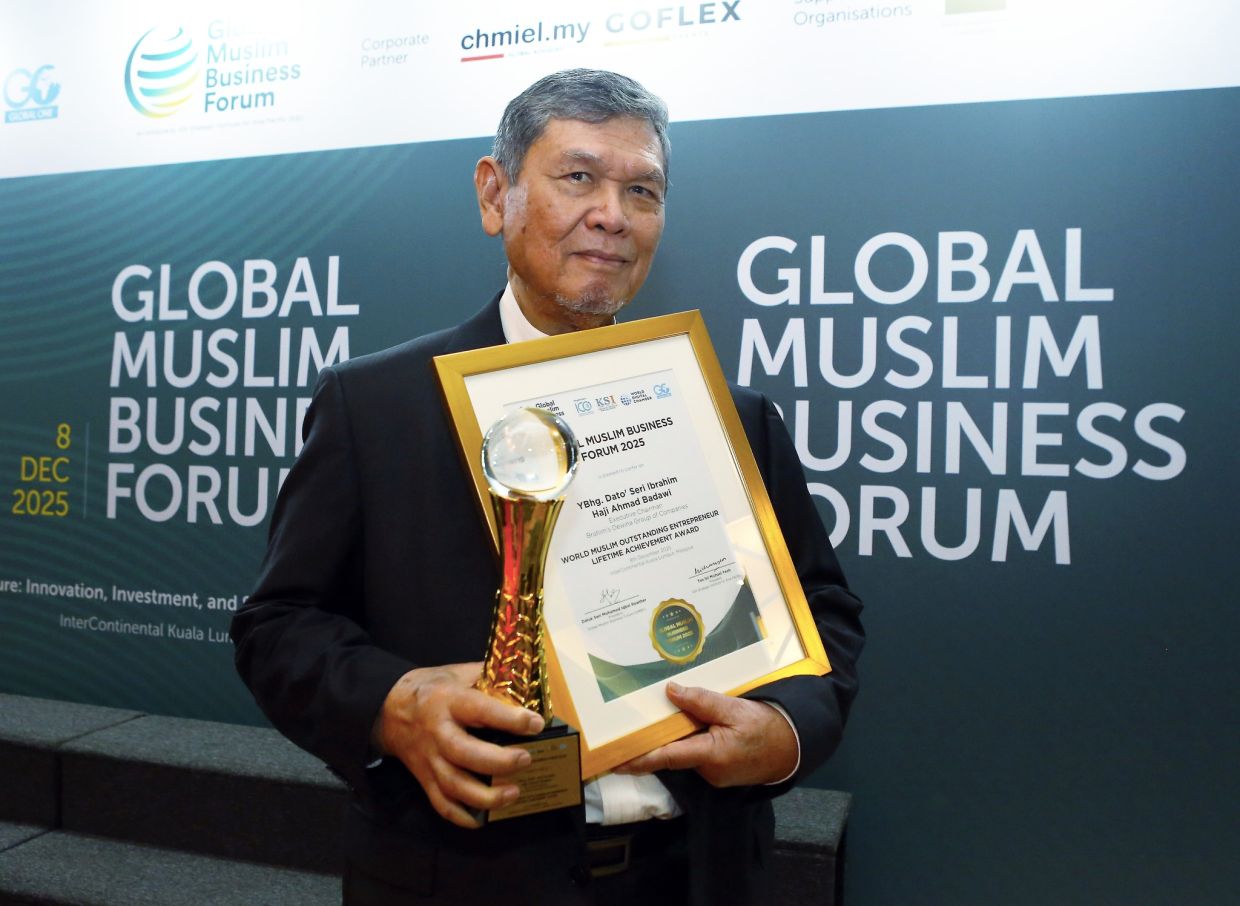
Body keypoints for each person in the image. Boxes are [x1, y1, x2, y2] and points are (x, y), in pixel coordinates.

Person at [231, 69, 864, 905]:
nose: (612, 213)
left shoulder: (730, 417)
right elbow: (278, 625)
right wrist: (392, 705)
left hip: (699, 877)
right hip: (462, 882)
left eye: (642, 190)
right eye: (578, 176)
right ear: (496, 195)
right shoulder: (374, 406)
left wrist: (785, 730)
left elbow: (823, 610)